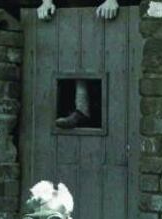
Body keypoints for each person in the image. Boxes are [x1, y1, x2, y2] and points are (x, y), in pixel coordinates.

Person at [37, 0, 120, 129]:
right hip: (71, 16)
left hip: (109, 19)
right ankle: (80, 110)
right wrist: (46, 2)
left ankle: (82, 110)